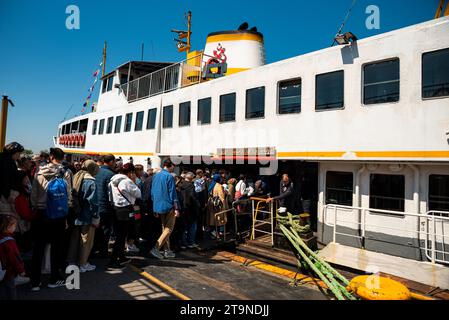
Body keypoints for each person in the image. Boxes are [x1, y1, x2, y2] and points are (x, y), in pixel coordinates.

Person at [30, 147, 72, 291]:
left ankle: (35, 282)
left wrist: (37, 206)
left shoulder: (39, 171)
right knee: (57, 248)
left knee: (38, 248)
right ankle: (54, 278)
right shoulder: (65, 172)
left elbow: (33, 194)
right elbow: (69, 195)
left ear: (51, 157)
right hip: (59, 215)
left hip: (42, 213)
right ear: (62, 157)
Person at [67, 160, 100, 272]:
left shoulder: (76, 176)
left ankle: (71, 262)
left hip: (74, 213)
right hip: (86, 215)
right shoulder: (91, 181)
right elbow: (93, 202)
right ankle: (82, 263)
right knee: (86, 240)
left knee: (74, 239)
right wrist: (96, 217)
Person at [108, 163, 141, 270]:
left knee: (120, 235)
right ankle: (113, 262)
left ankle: (121, 257)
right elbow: (138, 193)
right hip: (126, 210)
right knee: (121, 237)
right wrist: (134, 181)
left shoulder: (113, 180)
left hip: (116, 209)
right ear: (131, 172)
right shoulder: (127, 181)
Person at [150, 159, 180, 259]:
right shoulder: (169, 176)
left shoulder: (155, 176)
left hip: (158, 205)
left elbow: (153, 192)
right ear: (170, 166)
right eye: (173, 166)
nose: (174, 168)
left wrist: (154, 206)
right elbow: (172, 193)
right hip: (168, 205)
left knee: (164, 228)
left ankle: (167, 250)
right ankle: (156, 248)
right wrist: (176, 208)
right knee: (169, 228)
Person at [0, 214, 29, 300]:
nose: (15, 228)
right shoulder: (9, 241)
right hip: (8, 270)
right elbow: (14, 257)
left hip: (1, 268)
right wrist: (21, 270)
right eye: (14, 226)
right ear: (9, 227)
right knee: (10, 288)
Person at [93, 154, 116, 258]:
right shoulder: (111, 174)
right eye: (114, 162)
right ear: (111, 162)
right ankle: (103, 252)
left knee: (95, 230)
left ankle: (93, 250)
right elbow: (111, 193)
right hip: (105, 207)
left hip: (95, 205)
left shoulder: (96, 171)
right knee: (105, 230)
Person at [0, 142, 24, 217]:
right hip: (3, 196)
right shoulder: (9, 162)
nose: (19, 156)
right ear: (14, 152)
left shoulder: (2, 158)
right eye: (19, 153)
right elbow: (8, 178)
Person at [180, 172, 201, 249]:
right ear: (191, 178)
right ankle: (191, 242)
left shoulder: (181, 185)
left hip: (183, 208)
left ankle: (183, 243)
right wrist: (198, 206)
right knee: (192, 226)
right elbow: (193, 198)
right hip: (191, 209)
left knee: (183, 227)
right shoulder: (191, 186)